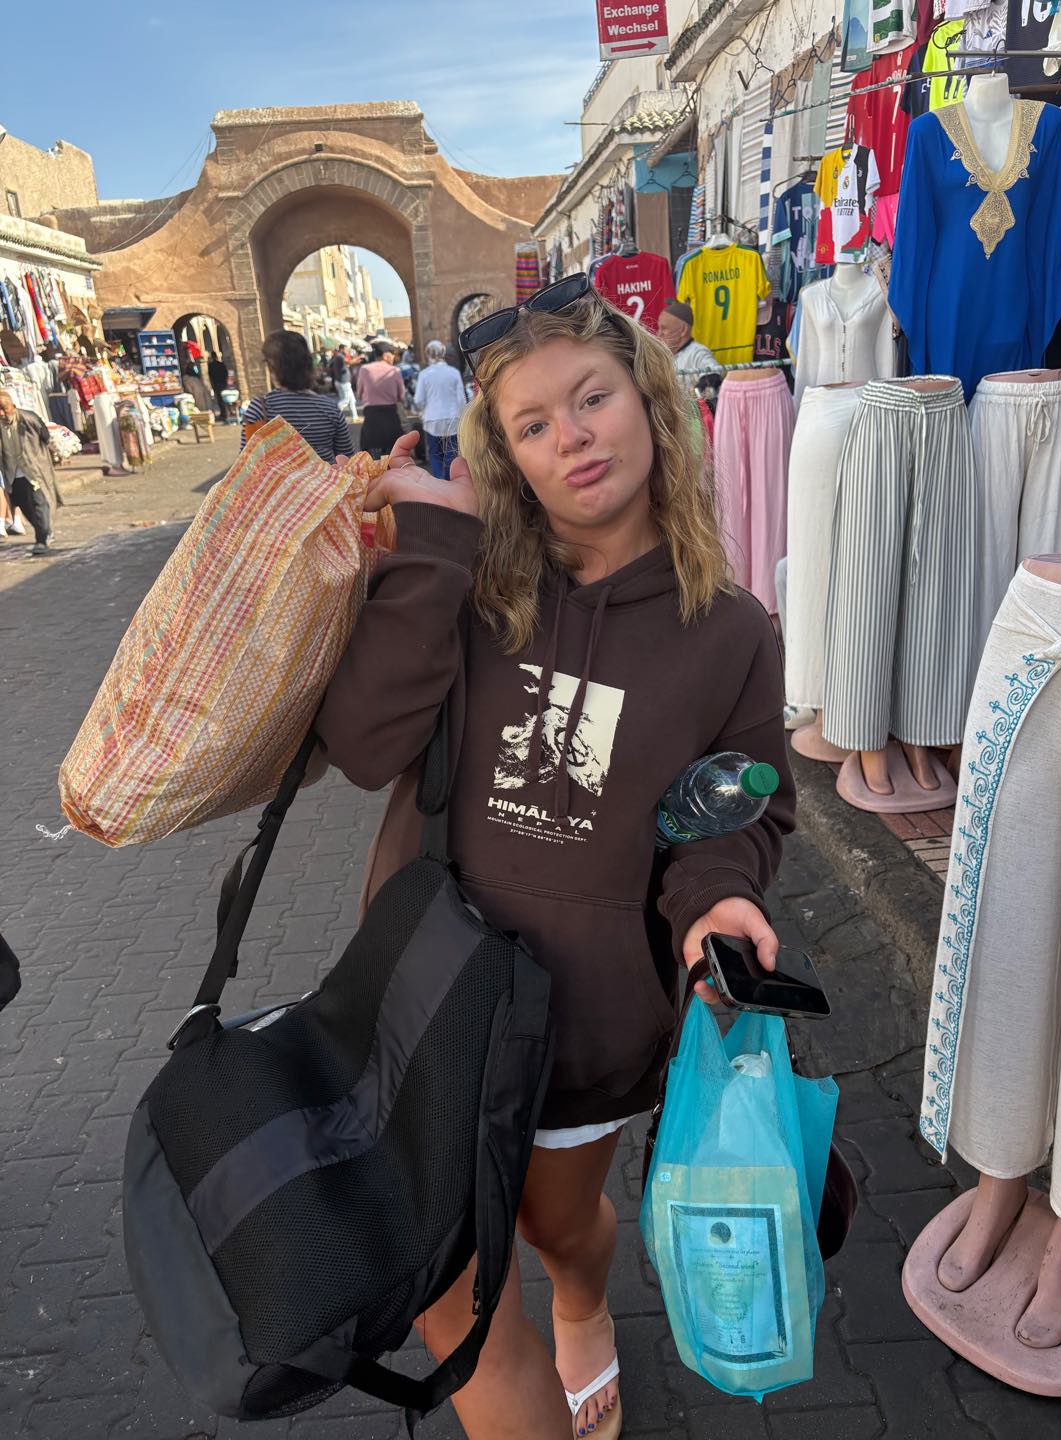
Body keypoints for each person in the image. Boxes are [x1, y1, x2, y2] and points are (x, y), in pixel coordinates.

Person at [316, 277, 794, 1439]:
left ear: (651, 401)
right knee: (450, 1295)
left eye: (592, 398)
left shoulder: (732, 631)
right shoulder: (468, 586)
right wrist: (432, 548)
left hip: (588, 1018)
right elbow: (363, 748)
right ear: (507, 457)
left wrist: (716, 904)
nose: (571, 437)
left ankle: (583, 1302)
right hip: (429, 996)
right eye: (532, 425)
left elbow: (733, 811)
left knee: (555, 1226)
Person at [241, 330, 354, 464]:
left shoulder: (259, 408)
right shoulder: (329, 408)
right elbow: (348, 461)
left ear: (271, 366)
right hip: (326, 477)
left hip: (276, 479)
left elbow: (246, 464)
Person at [0, 390, 62, 555]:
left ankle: (42, 539)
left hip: (33, 470)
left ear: (13, 406)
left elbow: (45, 436)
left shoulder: (28, 418)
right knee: (24, 505)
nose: (2, 413)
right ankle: (45, 530)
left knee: (38, 503)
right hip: (13, 474)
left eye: (4, 409)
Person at [413, 339, 468, 479]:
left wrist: (423, 411)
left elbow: (418, 400)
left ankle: (439, 480)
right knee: (451, 452)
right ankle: (449, 479)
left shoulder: (424, 374)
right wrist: (462, 416)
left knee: (435, 453)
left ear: (428, 354)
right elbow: (461, 399)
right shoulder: (453, 372)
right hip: (452, 418)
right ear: (443, 353)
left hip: (432, 419)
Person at [354, 340, 406, 457]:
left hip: (372, 419)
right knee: (394, 457)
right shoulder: (394, 371)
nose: (393, 357)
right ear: (385, 355)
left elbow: (359, 394)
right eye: (392, 354)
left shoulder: (364, 369)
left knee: (374, 460)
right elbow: (401, 396)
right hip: (391, 418)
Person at [657, 299, 716, 379]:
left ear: (683, 330)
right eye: (659, 328)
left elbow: (713, 375)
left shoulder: (698, 353)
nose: (659, 334)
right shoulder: (661, 357)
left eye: (664, 328)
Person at [330, 344, 358, 420]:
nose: (347, 351)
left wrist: (355, 360)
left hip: (343, 381)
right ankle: (334, 414)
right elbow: (349, 362)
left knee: (352, 400)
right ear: (342, 349)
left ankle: (355, 417)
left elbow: (347, 364)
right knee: (345, 400)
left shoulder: (339, 356)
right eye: (346, 349)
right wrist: (358, 357)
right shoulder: (340, 356)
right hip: (343, 382)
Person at [207, 352, 230, 420]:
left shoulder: (211, 365)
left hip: (217, 384)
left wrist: (212, 385)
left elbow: (210, 376)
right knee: (225, 398)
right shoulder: (221, 364)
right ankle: (228, 412)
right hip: (223, 383)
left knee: (220, 399)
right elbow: (226, 373)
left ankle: (224, 414)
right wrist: (225, 381)